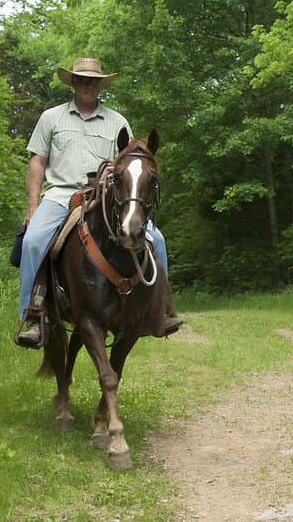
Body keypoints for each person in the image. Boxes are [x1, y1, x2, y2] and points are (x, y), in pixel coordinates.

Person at [17, 57, 181, 347]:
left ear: (99, 85)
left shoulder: (118, 121)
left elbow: (131, 162)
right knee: (33, 241)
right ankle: (34, 317)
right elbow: (37, 161)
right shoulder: (51, 117)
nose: (87, 85)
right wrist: (32, 206)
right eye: (82, 80)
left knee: (159, 239)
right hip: (59, 195)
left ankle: (161, 312)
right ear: (73, 83)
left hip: (105, 195)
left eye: (93, 81)